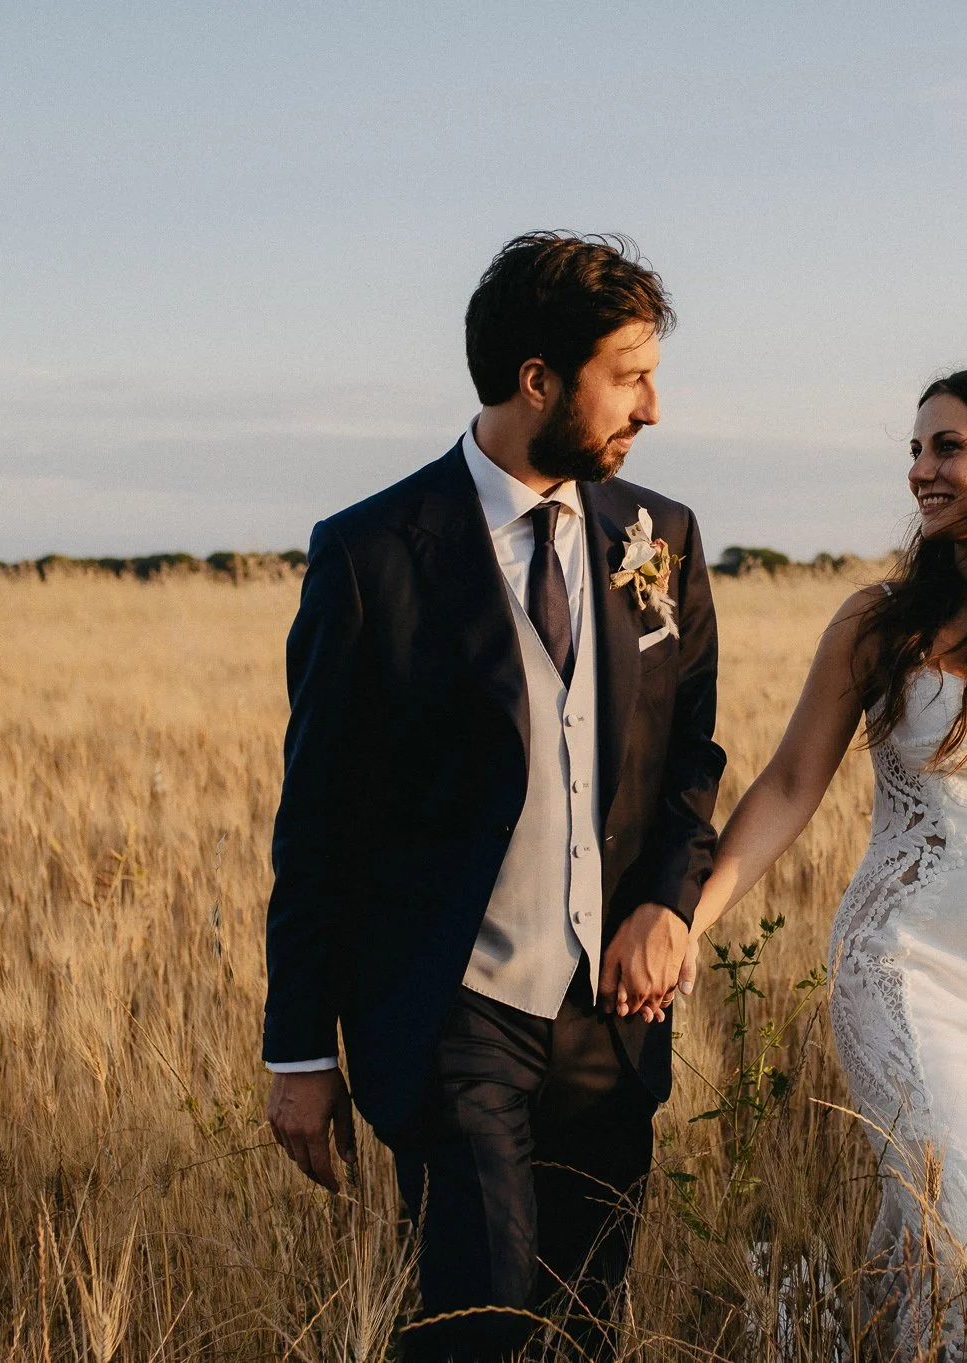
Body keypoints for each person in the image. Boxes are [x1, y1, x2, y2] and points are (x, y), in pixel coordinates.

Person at [260, 232, 724, 1362]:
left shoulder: (657, 537)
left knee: (582, 1326)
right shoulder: (372, 553)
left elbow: (690, 758)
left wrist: (667, 901)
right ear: (536, 380)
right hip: (454, 1005)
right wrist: (297, 1049)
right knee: (481, 1319)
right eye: (627, 375)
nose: (651, 407)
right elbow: (320, 814)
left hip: (612, 1026)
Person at [667, 368, 967, 1359]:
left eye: (945, 448)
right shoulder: (875, 620)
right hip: (908, 965)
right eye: (913, 449)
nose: (919, 471)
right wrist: (693, 915)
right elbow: (787, 784)